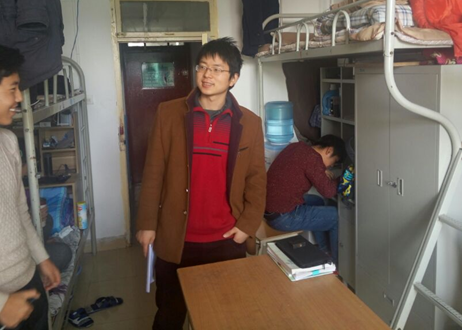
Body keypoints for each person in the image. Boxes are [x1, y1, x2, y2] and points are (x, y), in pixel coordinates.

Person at [135, 37, 266, 330]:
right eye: (203, 67)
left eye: (217, 69)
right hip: (176, 238)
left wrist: (247, 226)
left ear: (233, 78)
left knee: (223, 316)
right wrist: (146, 224)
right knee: (169, 314)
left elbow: (257, 180)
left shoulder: (250, 123)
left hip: (226, 239)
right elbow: (154, 171)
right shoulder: (168, 113)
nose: (207, 75)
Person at [0, 39, 61, 330]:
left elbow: (19, 210)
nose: (19, 97)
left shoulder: (7, 142)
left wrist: (41, 259)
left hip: (28, 283)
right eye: (12, 88)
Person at [264, 135, 346, 266]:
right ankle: (336, 264)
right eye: (333, 162)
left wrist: (322, 171)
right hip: (283, 217)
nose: (330, 166)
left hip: (270, 210)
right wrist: (343, 179)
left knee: (317, 201)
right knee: (335, 216)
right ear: (329, 151)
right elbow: (328, 191)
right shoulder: (313, 159)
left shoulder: (297, 147)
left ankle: (323, 251)